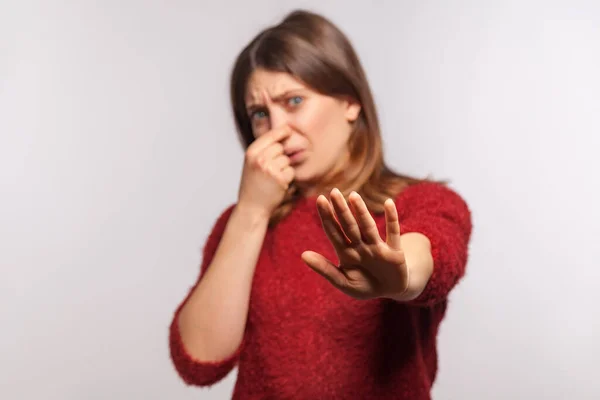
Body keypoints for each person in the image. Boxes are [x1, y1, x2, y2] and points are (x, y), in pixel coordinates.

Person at [168, 9, 472, 400]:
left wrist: (398, 275)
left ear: (350, 102)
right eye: (260, 114)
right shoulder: (242, 223)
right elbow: (199, 359)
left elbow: (430, 254)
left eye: (294, 101)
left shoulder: (423, 203)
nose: (276, 130)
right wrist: (251, 212)